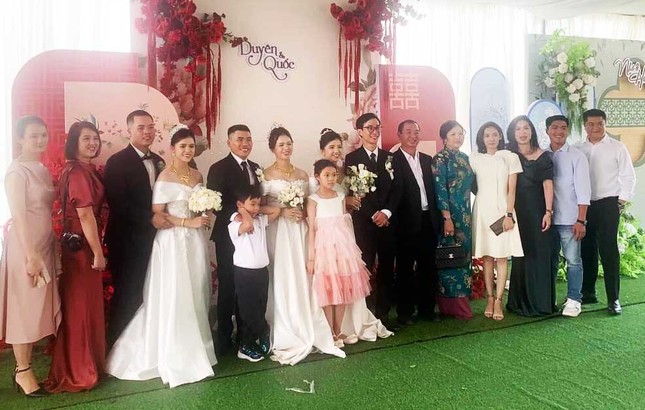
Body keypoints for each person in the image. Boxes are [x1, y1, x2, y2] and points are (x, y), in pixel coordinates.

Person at [106, 126, 217, 387]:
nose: (187, 150)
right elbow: (157, 214)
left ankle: (197, 344)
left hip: (194, 241)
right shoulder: (165, 176)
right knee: (175, 291)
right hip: (172, 241)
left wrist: (204, 212)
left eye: (191, 146)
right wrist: (187, 222)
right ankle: (173, 349)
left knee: (196, 287)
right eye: (182, 146)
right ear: (173, 149)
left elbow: (198, 206)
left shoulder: (197, 174)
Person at [261, 127, 345, 365]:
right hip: (279, 231)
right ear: (273, 148)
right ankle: (286, 324)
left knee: (304, 274)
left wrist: (302, 213)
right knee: (283, 275)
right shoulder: (266, 174)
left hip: (300, 230)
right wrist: (281, 211)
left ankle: (310, 322)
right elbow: (259, 206)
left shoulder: (301, 174)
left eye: (289, 143)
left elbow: (312, 203)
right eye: (281, 145)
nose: (286, 148)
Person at [1, 116, 61, 397]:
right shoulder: (16, 172)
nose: (40, 140)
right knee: (23, 309)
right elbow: (19, 216)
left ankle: (23, 368)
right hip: (25, 249)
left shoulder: (41, 168)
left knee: (36, 309)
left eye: (43, 135)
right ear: (20, 138)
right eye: (33, 135)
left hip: (45, 245)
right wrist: (31, 255)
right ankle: (23, 370)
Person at [45, 121, 107, 392]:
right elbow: (85, 214)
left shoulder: (77, 168)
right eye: (86, 139)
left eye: (95, 138)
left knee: (79, 304)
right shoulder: (79, 172)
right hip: (83, 246)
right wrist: (97, 252)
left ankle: (81, 365)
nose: (92, 143)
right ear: (74, 142)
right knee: (81, 306)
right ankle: (80, 370)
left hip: (76, 244)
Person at [104, 110, 171, 346]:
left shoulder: (160, 161)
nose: (147, 132)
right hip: (126, 241)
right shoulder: (116, 162)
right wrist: (150, 219)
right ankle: (117, 347)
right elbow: (118, 203)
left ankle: (146, 345)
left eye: (150, 127)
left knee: (151, 290)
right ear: (129, 130)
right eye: (141, 128)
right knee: (127, 293)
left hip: (155, 239)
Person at [575, 109, 636, 315]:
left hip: (609, 204)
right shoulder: (578, 148)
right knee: (587, 249)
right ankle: (588, 292)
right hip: (584, 205)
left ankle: (614, 299)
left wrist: (621, 202)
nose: (595, 128)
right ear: (585, 126)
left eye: (600, 123)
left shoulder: (617, 147)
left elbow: (628, 176)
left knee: (609, 251)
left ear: (605, 124)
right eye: (591, 124)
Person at [207, 124, 261, 353]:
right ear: (229, 142)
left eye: (248, 139)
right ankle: (223, 338)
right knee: (229, 284)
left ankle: (245, 335)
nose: (245, 144)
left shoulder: (256, 168)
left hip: (251, 236)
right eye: (240, 139)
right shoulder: (218, 168)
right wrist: (238, 217)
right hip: (228, 235)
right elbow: (215, 202)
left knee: (247, 285)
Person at [307, 159, 372, 347]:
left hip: (343, 248)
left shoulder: (340, 196)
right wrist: (311, 257)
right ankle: (330, 332)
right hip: (324, 249)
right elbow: (312, 229)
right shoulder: (313, 200)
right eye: (326, 175)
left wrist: (351, 249)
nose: (331, 179)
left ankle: (339, 329)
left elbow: (346, 223)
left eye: (334, 175)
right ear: (317, 177)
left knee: (343, 287)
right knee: (328, 288)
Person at [344, 113, 401, 325]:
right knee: (365, 267)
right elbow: (353, 192)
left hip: (387, 222)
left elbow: (398, 189)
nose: (374, 132)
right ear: (360, 132)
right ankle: (365, 314)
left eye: (377, 127)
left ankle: (384, 314)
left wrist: (386, 212)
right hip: (364, 223)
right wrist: (372, 214)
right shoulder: (352, 159)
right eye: (370, 128)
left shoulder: (390, 158)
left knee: (387, 267)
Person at [470, 122, 523, 321]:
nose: (491, 138)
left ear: (500, 136)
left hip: (503, 212)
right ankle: (490, 299)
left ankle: (499, 299)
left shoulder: (510, 157)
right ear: (481, 139)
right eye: (487, 135)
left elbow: (512, 190)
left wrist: (509, 214)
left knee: (501, 257)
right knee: (487, 257)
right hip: (482, 211)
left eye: (494, 134)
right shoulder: (474, 158)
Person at [505, 116, 557, 317]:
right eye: (518, 129)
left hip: (538, 212)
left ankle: (541, 304)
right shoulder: (508, 155)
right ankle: (518, 302)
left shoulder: (544, 156)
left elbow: (548, 185)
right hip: (516, 212)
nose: (522, 132)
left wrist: (548, 212)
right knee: (521, 255)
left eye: (526, 128)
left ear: (532, 131)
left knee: (540, 254)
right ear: (513, 133)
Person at [392, 120, 442, 322]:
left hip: (428, 219)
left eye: (416, 132)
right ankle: (404, 312)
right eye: (408, 132)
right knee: (405, 268)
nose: (413, 136)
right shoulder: (392, 161)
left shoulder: (428, 160)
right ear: (399, 135)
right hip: (404, 223)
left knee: (428, 266)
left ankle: (427, 310)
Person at [545, 115, 591, 318]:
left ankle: (574, 299)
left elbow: (583, 191)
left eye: (563, 128)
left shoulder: (577, 156)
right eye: (554, 127)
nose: (559, 131)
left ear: (568, 130)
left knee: (573, 261)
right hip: (548, 220)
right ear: (547, 131)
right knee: (550, 261)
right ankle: (549, 298)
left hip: (570, 219)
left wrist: (581, 220)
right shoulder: (542, 155)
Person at [229, 185, 280, 362]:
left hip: (261, 272)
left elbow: (275, 210)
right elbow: (248, 225)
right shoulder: (235, 224)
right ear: (239, 205)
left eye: (258, 204)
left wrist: (254, 210)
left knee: (260, 306)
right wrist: (243, 212)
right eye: (253, 204)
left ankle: (260, 333)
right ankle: (245, 345)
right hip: (244, 273)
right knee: (247, 310)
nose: (257, 208)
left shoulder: (260, 220)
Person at [431, 120, 475, 320]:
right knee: (450, 258)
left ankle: (463, 301)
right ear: (444, 138)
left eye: (460, 133)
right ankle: (450, 306)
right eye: (453, 134)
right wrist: (447, 218)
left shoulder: (465, 158)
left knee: (464, 257)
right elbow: (440, 191)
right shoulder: (439, 159)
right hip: (449, 216)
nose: (458, 137)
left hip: (465, 216)